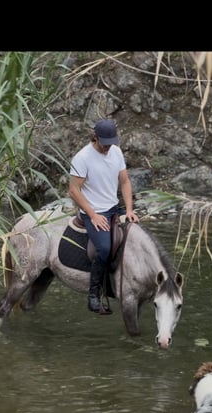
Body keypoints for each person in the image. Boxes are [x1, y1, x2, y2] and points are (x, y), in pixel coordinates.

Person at [69, 118, 139, 314]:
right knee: (105, 248)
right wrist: (92, 215)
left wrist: (129, 209)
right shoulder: (82, 158)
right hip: (95, 211)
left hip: (114, 208)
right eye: (105, 143)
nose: (108, 147)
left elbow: (124, 182)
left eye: (111, 142)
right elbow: (74, 191)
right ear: (95, 137)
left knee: (138, 236)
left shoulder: (116, 152)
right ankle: (93, 295)